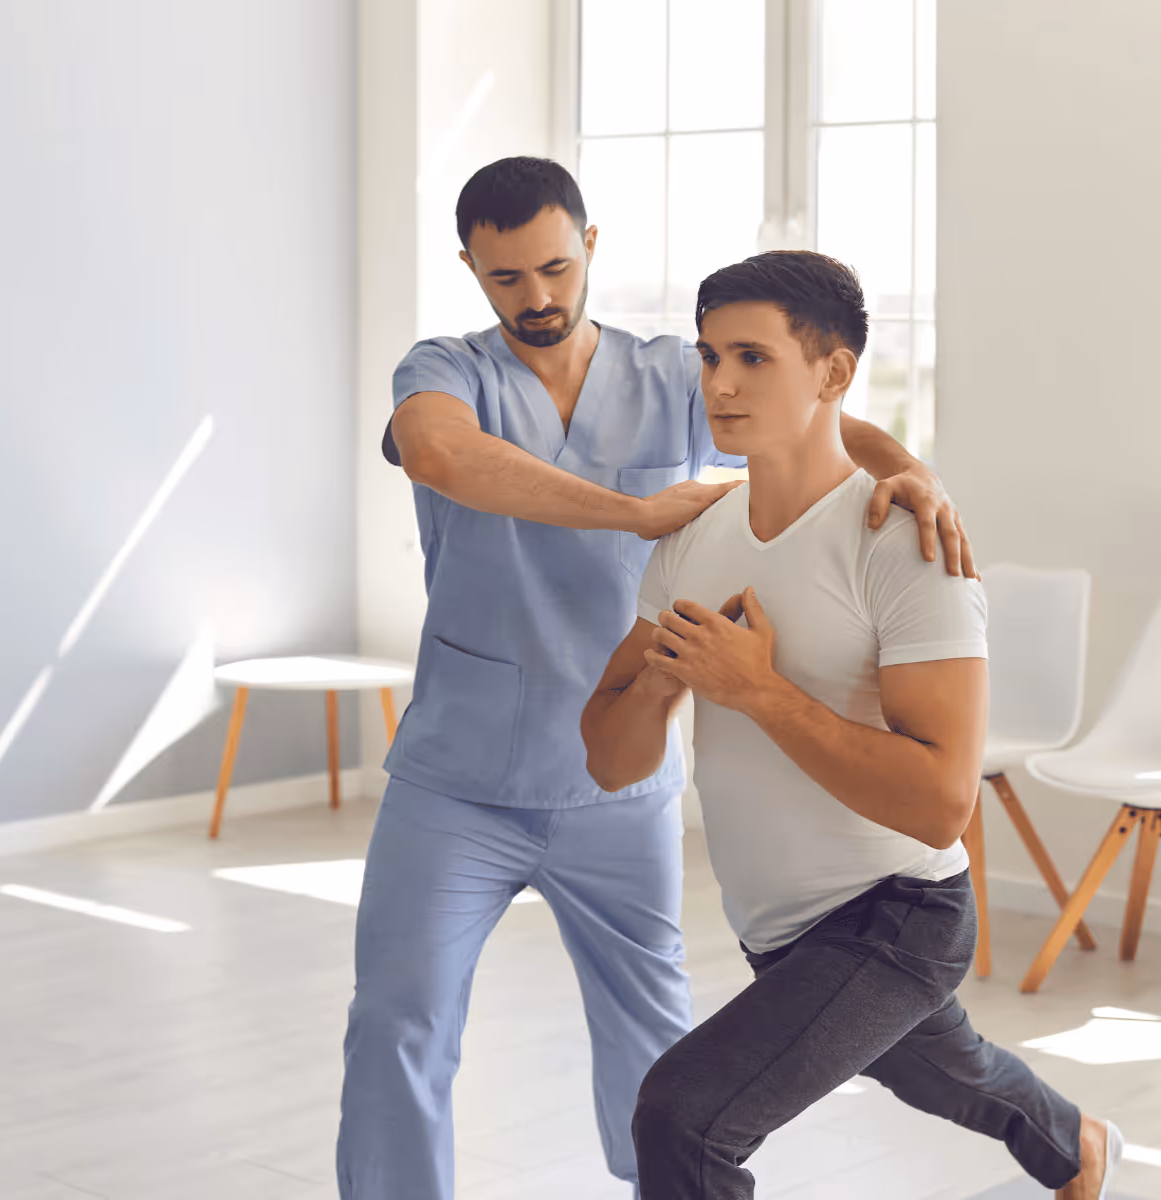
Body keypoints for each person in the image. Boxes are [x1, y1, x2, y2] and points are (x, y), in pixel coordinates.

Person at [337, 157, 977, 1200]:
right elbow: (443, 457)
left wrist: (915, 472)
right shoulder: (444, 369)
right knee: (398, 1021)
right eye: (505, 279)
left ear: (591, 245)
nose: (536, 298)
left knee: (652, 1043)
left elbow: (820, 417)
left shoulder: (673, 373)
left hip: (617, 786)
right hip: (453, 784)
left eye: (553, 267)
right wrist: (632, 511)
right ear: (470, 269)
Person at [581, 251, 1123, 1200]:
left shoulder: (908, 546)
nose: (719, 383)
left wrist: (759, 694)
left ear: (833, 373)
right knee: (951, 1071)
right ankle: (1073, 1144)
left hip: (898, 913)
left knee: (684, 1116)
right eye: (709, 357)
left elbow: (942, 806)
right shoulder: (689, 542)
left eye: (752, 357)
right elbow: (610, 758)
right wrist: (668, 686)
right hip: (774, 928)